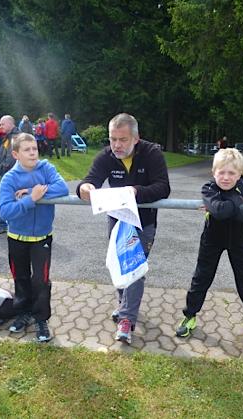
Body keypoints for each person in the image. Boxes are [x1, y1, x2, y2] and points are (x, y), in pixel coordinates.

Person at [76, 113, 170, 344]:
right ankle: (124, 305)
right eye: (112, 139)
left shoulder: (152, 153)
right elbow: (88, 182)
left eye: (123, 140)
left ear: (136, 138)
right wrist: (85, 189)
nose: (117, 145)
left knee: (134, 269)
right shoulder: (106, 156)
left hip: (144, 222)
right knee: (119, 266)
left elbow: (163, 187)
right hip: (117, 222)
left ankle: (126, 319)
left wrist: (137, 191)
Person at [175, 148, 243, 350]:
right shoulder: (209, 188)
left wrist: (226, 204)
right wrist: (238, 205)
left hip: (239, 242)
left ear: (240, 174)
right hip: (212, 239)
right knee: (201, 278)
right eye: (222, 172)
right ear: (214, 172)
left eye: (232, 173)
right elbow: (220, 213)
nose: (226, 177)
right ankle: (190, 317)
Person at [0, 133, 69, 342]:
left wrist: (31, 193)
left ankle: (41, 319)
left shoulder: (46, 168)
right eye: (27, 150)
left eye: (35, 149)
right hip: (16, 238)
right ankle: (23, 313)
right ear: (16, 154)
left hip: (42, 238)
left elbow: (62, 187)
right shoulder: (9, 179)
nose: (32, 153)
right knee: (21, 279)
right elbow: (5, 212)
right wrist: (31, 200)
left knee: (41, 281)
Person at [0, 115, 20, 235]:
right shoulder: (7, 137)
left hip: (10, 174)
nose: (0, 126)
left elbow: (11, 158)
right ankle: (5, 223)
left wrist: (3, 168)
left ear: (10, 124)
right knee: (4, 198)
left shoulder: (16, 137)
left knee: (2, 198)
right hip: (7, 172)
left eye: (3, 124)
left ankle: (4, 223)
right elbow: (2, 153)